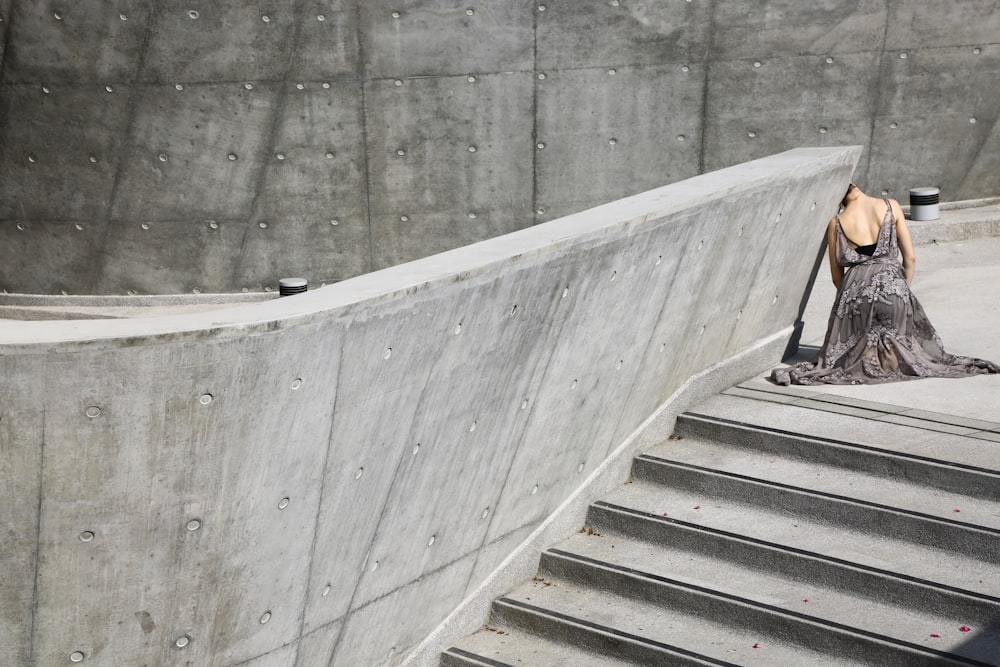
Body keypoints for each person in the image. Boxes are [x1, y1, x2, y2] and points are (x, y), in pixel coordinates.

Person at [771, 182, 1000, 385]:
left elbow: (835, 276)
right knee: (901, 342)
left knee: (858, 345)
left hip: (854, 293)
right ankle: (887, 360)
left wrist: (851, 300)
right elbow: (910, 258)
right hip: (892, 286)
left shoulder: (836, 223)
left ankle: (871, 361)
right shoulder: (890, 206)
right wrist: (901, 289)